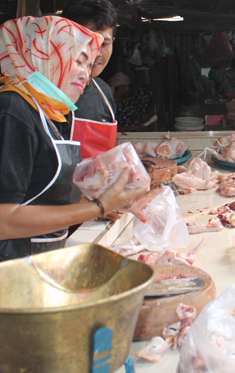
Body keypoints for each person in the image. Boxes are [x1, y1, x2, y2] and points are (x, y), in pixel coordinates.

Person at [0, 16, 146, 261]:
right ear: (44, 56)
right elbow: (4, 219)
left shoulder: (47, 112)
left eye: (88, 66)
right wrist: (94, 208)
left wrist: (103, 200)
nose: (85, 75)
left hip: (40, 261)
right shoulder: (12, 109)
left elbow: (41, 193)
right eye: (78, 62)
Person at [62, 0, 118, 159]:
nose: (96, 53)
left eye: (104, 44)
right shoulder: (39, 98)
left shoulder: (104, 92)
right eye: (87, 42)